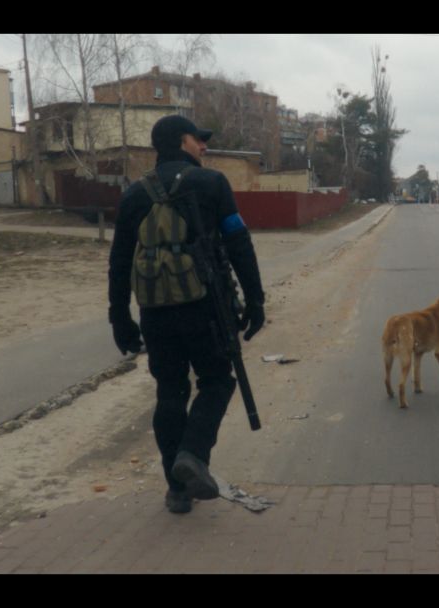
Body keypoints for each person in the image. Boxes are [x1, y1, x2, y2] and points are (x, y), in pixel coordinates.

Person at [108, 115, 266, 514]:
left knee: (170, 392)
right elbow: (238, 242)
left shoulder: (133, 196)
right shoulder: (211, 183)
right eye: (199, 139)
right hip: (206, 307)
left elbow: (119, 262)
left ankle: (177, 491)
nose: (204, 147)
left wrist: (119, 318)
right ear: (182, 141)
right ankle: (193, 455)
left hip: (155, 312)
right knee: (216, 381)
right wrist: (255, 300)